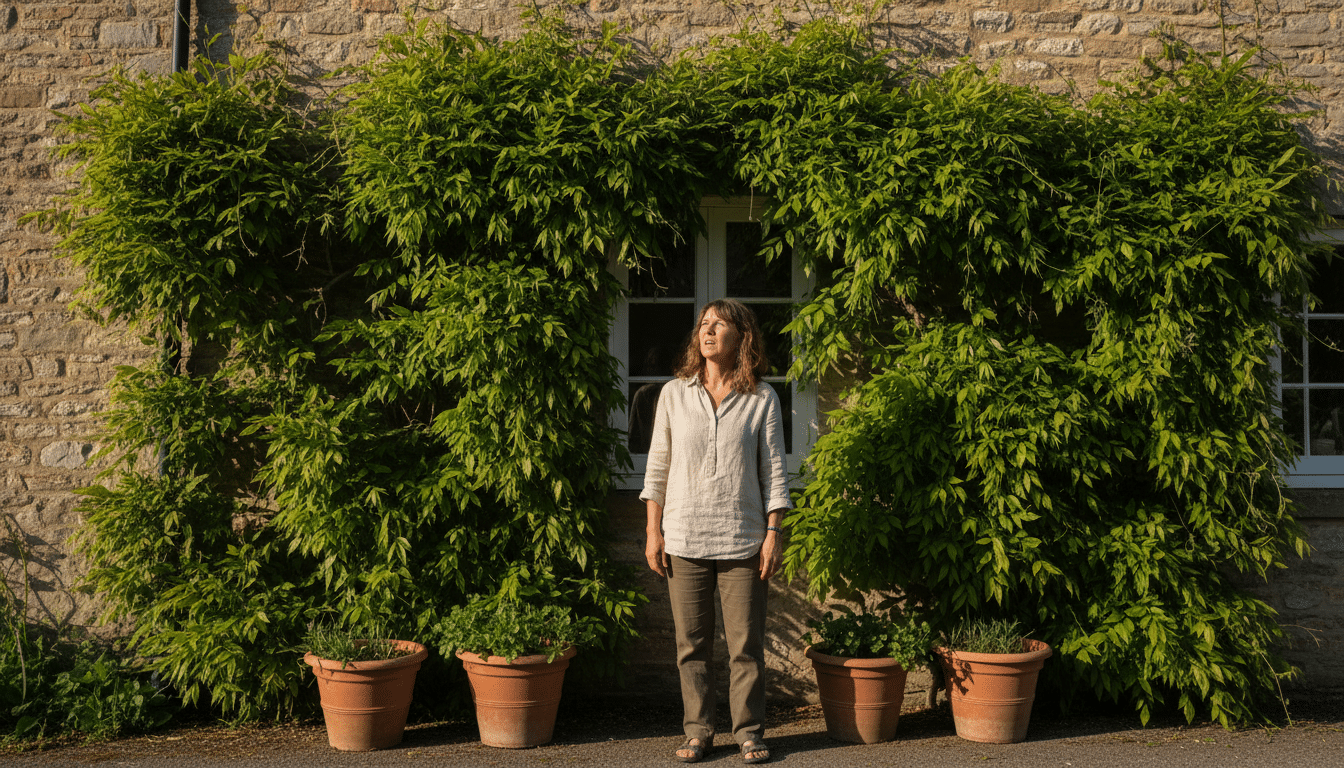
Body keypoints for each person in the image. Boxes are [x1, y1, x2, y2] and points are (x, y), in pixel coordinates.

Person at [640, 298, 791, 765]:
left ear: (741, 337)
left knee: (745, 647)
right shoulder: (674, 394)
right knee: (692, 647)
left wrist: (772, 533)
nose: (707, 332)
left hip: (743, 540)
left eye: (718, 325)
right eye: (703, 325)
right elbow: (657, 469)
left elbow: (776, 473)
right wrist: (653, 531)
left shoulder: (761, 398)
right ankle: (699, 732)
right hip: (683, 537)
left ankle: (748, 732)